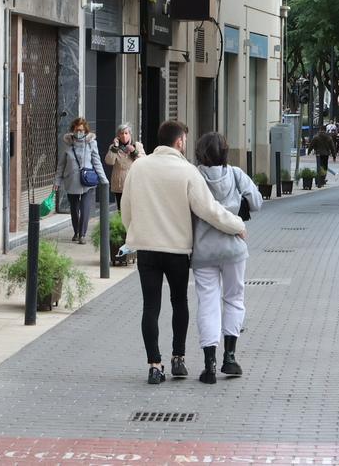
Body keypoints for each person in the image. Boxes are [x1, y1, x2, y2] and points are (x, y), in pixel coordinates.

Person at [122, 121, 246, 385]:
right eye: (185, 141)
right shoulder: (188, 171)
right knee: (180, 303)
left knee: (150, 306)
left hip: (147, 248)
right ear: (179, 142)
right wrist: (237, 226)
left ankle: (155, 365)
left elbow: (126, 208)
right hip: (178, 250)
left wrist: (135, 232)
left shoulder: (139, 167)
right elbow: (209, 211)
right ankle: (178, 359)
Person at [191, 132, 262, 384]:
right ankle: (229, 357)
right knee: (234, 298)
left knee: (207, 303)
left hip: (203, 250)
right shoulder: (235, 174)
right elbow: (257, 202)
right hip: (234, 248)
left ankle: (209, 364)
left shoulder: (194, 175)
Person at [55, 118, 109, 243]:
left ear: (85, 130)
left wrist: (103, 179)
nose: (79, 132)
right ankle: (76, 231)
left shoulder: (91, 143)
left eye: (81, 130)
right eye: (76, 130)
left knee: (85, 208)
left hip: (87, 180)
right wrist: (57, 181)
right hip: (71, 180)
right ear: (73, 130)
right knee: (74, 209)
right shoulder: (67, 143)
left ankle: (82, 234)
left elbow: (96, 162)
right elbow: (61, 164)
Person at [104, 123, 144, 209]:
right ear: (118, 136)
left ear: (130, 134)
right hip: (119, 183)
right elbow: (109, 162)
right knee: (121, 208)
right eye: (121, 133)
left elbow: (143, 161)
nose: (124, 136)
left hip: (133, 182)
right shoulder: (114, 147)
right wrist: (115, 147)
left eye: (126, 133)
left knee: (133, 208)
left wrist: (134, 152)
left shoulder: (137, 145)